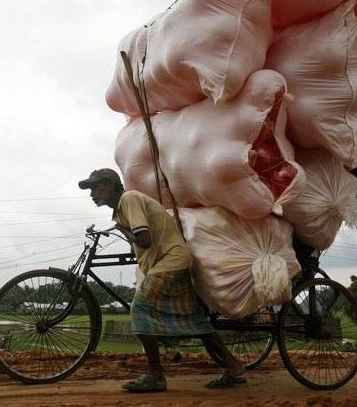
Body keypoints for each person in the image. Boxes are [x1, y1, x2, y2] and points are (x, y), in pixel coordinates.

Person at [78, 168, 246, 393]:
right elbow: (142, 244)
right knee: (195, 320)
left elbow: (144, 240)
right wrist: (126, 233)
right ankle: (233, 366)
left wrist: (124, 232)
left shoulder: (129, 199)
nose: (92, 194)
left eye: (96, 187)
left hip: (171, 261)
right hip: (171, 261)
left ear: (110, 184)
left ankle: (156, 375)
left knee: (139, 309)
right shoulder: (120, 211)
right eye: (90, 189)